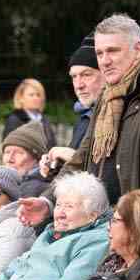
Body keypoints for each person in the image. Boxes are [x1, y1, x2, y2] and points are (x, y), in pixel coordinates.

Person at [20, 13, 140, 236]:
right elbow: (83, 159)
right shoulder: (110, 96)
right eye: (99, 53)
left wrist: (137, 246)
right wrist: (48, 202)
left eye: (113, 51)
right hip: (100, 228)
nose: (104, 61)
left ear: (138, 50)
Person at [40, 34, 105, 178]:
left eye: (86, 75)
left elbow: (110, 171)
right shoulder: (84, 117)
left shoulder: (118, 115)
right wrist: (54, 166)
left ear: (107, 75)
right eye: (74, 77)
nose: (79, 85)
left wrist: (72, 156)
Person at [2, 78, 57, 148]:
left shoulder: (44, 120)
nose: (36, 98)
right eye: (31, 95)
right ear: (20, 98)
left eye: (38, 95)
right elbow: (10, 147)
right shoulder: (14, 120)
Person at [2, 121, 51, 198]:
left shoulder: (35, 189)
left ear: (37, 159)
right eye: (7, 152)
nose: (10, 159)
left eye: (19, 153)